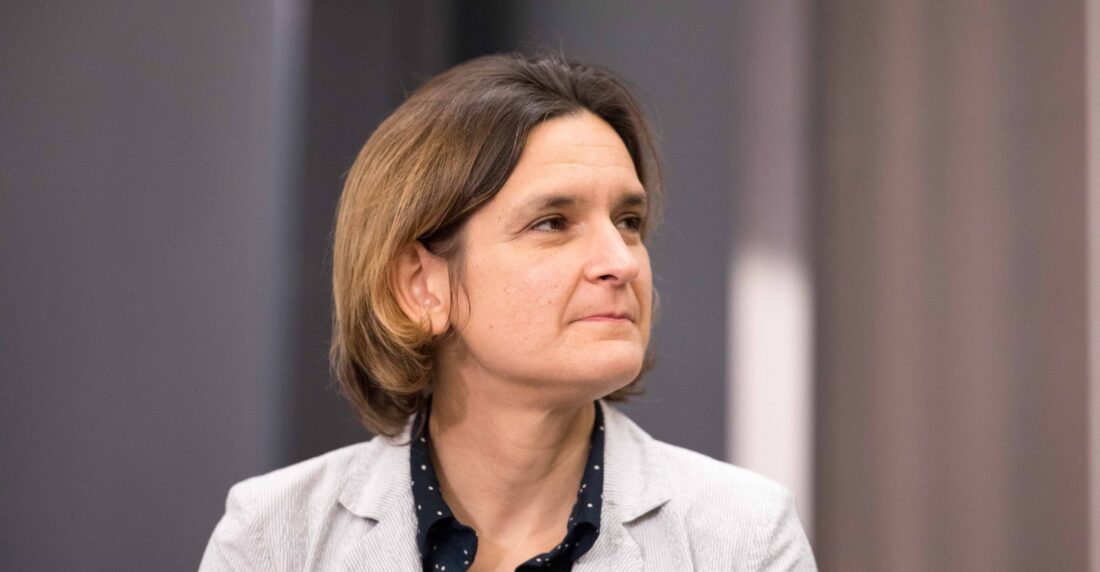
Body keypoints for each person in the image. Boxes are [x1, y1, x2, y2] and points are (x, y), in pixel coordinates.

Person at [199, 52, 816, 571]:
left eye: (628, 221)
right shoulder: (275, 537)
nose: (620, 261)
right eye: (553, 223)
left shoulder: (743, 537)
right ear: (421, 285)